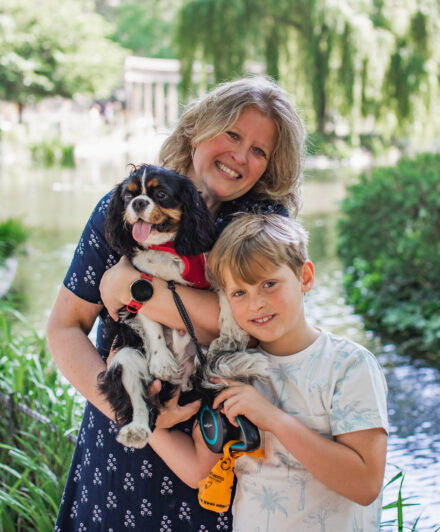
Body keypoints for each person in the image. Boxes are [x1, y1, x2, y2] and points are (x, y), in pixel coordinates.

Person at [46, 77, 306, 532]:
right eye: (232, 134)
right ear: (197, 129)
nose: (241, 157)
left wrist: (133, 286)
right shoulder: (128, 203)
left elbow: (248, 327)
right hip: (118, 448)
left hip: (214, 459)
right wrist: (135, 413)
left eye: (260, 151)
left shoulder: (263, 226)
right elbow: (64, 327)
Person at [149, 214, 389, 532]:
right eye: (239, 293)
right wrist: (146, 421)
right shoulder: (228, 371)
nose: (256, 304)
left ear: (305, 277)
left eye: (269, 284)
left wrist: (273, 419)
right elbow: (197, 470)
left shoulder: (349, 366)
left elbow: (365, 485)